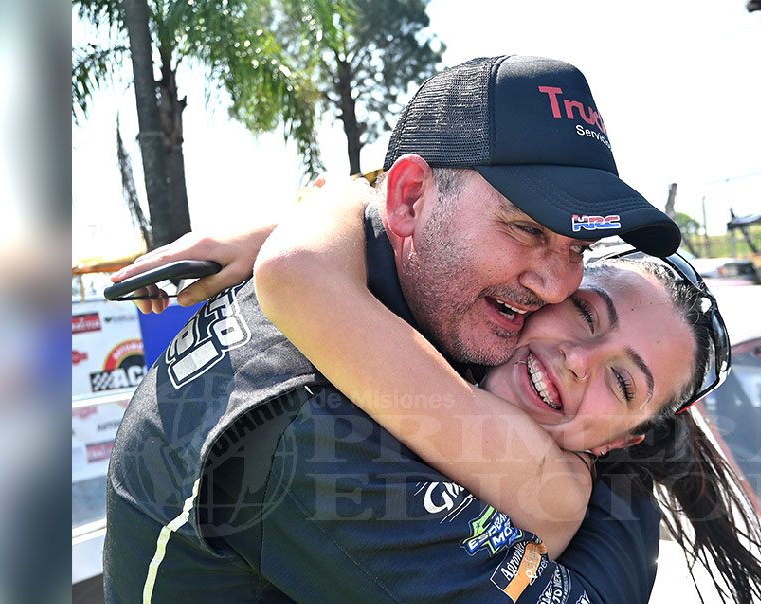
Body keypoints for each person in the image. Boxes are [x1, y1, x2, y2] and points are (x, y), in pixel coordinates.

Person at [104, 55, 684, 604]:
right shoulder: (313, 426)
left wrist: (325, 209)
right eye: (527, 229)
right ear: (409, 199)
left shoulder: (427, 303)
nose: (557, 287)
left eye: (579, 247)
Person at [251, 189, 761, 604]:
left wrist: (345, 201)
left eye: (622, 384)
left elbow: (297, 272)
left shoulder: (559, 489)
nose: (578, 360)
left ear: (618, 442)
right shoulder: (438, 330)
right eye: (585, 314)